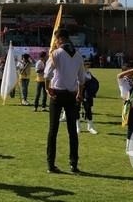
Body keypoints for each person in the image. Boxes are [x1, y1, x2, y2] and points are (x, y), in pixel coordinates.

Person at [44, 28, 85, 174]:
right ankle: (73, 164)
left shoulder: (56, 54)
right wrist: (79, 94)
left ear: (60, 38)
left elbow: (47, 74)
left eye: (56, 38)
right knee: (72, 131)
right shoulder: (78, 55)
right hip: (72, 95)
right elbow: (82, 79)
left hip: (57, 93)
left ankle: (51, 164)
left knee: (53, 130)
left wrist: (48, 88)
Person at [82, 68, 100, 134]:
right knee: (76, 109)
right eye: (85, 64)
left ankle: (90, 127)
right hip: (77, 90)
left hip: (87, 92)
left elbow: (95, 83)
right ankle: (78, 126)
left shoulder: (88, 73)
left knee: (88, 108)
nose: (87, 66)